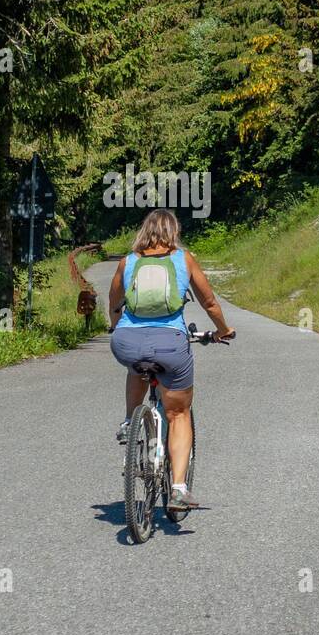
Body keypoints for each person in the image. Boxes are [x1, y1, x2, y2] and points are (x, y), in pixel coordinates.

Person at [108, 208, 235, 512]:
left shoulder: (128, 261)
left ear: (144, 231)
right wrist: (222, 330)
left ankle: (130, 421)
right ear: (173, 231)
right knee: (178, 413)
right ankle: (178, 489)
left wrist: (117, 329)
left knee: (136, 366)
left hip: (126, 342)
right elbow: (209, 301)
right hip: (171, 344)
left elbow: (114, 302)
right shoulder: (183, 258)